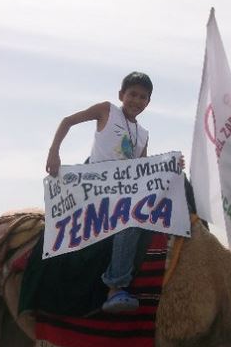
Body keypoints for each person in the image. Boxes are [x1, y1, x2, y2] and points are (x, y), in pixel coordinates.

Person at [46, 72, 153, 313]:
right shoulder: (107, 110)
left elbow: (141, 170)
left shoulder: (143, 134)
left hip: (120, 190)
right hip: (93, 186)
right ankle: (116, 286)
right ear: (121, 95)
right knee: (129, 221)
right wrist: (54, 152)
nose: (136, 100)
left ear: (148, 102)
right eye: (132, 94)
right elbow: (67, 121)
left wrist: (170, 169)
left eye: (142, 97)